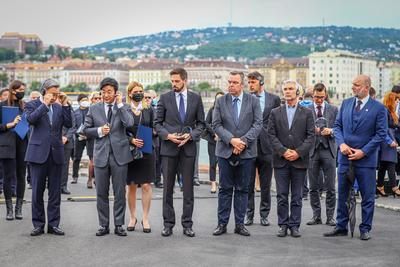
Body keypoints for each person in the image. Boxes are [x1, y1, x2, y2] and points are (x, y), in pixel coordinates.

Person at [324, 75, 387, 241]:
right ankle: (341, 226)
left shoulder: (379, 109)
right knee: (342, 194)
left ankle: (365, 228)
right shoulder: (345, 104)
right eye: (353, 84)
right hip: (345, 158)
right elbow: (337, 127)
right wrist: (341, 144)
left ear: (366, 87)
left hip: (365, 161)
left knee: (367, 196)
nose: (353, 87)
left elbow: (381, 134)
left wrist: (363, 151)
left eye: (357, 85)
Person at [154, 68, 205, 237]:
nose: (173, 84)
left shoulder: (196, 99)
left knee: (188, 189)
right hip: (169, 149)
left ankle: (187, 224)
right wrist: (168, 136)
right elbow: (157, 124)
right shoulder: (164, 98)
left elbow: (201, 125)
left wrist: (191, 136)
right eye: (172, 81)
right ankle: (168, 224)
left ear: (185, 80)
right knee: (167, 189)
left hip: (188, 149)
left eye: (176, 81)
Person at [212, 71, 262, 237]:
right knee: (224, 189)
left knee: (242, 189)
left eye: (234, 82)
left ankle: (240, 224)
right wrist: (232, 140)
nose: (231, 85)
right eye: (229, 82)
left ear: (242, 85)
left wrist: (242, 142)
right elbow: (216, 124)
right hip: (225, 152)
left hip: (246, 153)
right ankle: (222, 224)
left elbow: (257, 124)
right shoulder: (221, 101)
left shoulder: (253, 101)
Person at [84, 78, 134, 237]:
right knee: (101, 193)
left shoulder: (124, 107)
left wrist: (120, 105)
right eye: (103, 92)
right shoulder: (93, 108)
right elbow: (85, 129)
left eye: (109, 92)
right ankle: (103, 225)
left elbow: (130, 123)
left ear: (115, 93)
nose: (106, 95)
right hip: (100, 155)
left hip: (120, 155)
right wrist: (99, 131)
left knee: (119, 193)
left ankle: (119, 224)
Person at [267, 79, 315, 238]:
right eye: (285, 89)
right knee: (281, 195)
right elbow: (271, 135)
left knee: (297, 196)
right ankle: (283, 224)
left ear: (297, 92)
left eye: (290, 89)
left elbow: (311, 136)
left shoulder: (307, 112)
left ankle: (294, 225)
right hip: (281, 161)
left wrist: (298, 152)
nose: (287, 91)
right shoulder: (275, 112)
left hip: (299, 161)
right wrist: (283, 151)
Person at [25, 79, 72, 236]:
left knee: (55, 192)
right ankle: (38, 224)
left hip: (56, 153)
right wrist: (44, 105)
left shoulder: (59, 107)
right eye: (52, 93)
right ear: (44, 91)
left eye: (57, 93)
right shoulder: (32, 104)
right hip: (38, 153)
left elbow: (69, 123)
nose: (54, 97)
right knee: (37, 191)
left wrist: (65, 104)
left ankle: (53, 224)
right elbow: (31, 120)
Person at [244, 71, 280, 227]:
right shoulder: (245, 99)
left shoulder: (274, 99)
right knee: (248, 184)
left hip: (267, 147)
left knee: (266, 185)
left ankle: (264, 215)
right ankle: (249, 215)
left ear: (261, 83)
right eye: (249, 82)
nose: (250, 85)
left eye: (253, 82)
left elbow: (279, 122)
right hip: (249, 146)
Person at [306, 83, 338, 227]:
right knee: (313, 187)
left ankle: (330, 217)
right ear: (312, 95)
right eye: (316, 97)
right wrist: (311, 130)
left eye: (321, 97)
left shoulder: (334, 109)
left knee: (330, 186)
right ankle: (316, 216)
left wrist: (330, 131)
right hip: (312, 151)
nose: (319, 100)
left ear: (325, 95)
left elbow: (340, 129)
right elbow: (301, 130)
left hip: (328, 150)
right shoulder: (306, 110)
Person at [125, 82, 155, 233]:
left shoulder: (148, 109)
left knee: (146, 185)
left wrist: (153, 133)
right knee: (130, 186)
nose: (139, 93)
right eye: (136, 91)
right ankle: (132, 217)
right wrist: (131, 140)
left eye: (141, 91)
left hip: (147, 149)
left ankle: (145, 217)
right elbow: (119, 131)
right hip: (129, 151)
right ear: (129, 93)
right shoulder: (123, 110)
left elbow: (155, 126)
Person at [0, 81, 28, 220]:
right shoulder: (2, 105)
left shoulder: (25, 106)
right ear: (13, 90)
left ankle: (18, 209)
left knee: (21, 176)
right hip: (7, 145)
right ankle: (9, 210)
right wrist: (9, 125)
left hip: (22, 143)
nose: (23, 92)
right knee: (8, 177)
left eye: (24, 89)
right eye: (21, 89)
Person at [376, 92, 400, 197]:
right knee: (391, 163)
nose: (397, 103)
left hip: (390, 139)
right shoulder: (385, 111)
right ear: (391, 101)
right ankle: (394, 187)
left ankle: (380, 186)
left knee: (384, 165)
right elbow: (383, 129)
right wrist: (390, 141)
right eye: (396, 101)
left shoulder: (391, 112)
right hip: (387, 141)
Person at [203, 91, 225, 193]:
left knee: (222, 163)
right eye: (217, 98)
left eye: (221, 98)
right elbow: (206, 123)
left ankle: (222, 183)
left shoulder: (227, 110)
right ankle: (213, 184)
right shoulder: (212, 110)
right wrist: (214, 134)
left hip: (223, 141)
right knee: (213, 162)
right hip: (212, 140)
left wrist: (222, 135)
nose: (219, 100)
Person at [72, 94, 90, 184]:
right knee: (77, 158)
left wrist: (88, 135)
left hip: (89, 137)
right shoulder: (75, 112)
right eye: (83, 100)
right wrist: (78, 134)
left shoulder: (90, 111)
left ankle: (91, 178)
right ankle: (75, 176)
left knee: (92, 157)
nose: (85, 101)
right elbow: (73, 126)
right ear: (79, 101)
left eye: (86, 99)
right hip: (78, 138)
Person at [85, 92, 102, 188]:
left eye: (99, 98)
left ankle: (97, 179)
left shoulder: (103, 109)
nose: (98, 100)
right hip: (91, 138)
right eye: (96, 98)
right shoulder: (90, 109)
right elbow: (85, 126)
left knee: (100, 160)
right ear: (91, 100)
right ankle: (90, 179)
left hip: (102, 137)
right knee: (92, 160)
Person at [60, 94, 75, 195]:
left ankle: (63, 186)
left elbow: (73, 126)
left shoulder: (70, 110)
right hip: (55, 140)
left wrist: (66, 137)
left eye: (63, 99)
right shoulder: (52, 109)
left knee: (65, 165)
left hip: (67, 141)